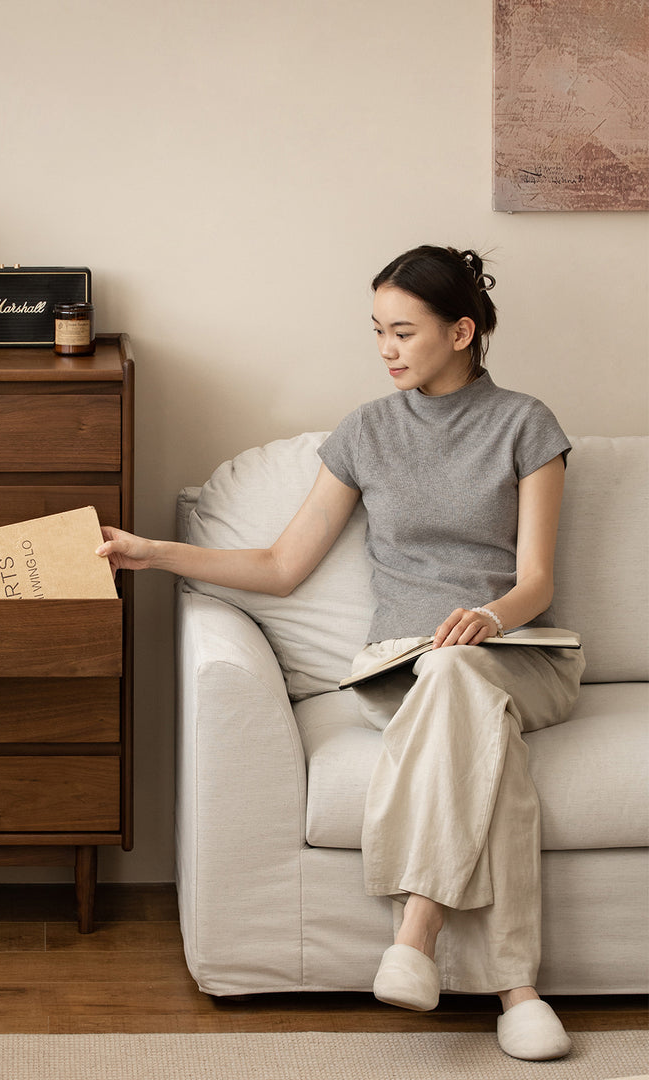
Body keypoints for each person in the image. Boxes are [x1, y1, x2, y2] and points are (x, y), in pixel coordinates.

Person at [96, 245, 585, 1062]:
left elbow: (534, 579)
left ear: (461, 331)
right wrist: (155, 553)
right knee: (469, 720)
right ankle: (518, 990)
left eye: (404, 331)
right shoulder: (366, 430)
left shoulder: (526, 424)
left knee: (461, 671)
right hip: (402, 667)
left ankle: (417, 929)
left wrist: (489, 620)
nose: (387, 349)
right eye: (378, 332)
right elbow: (282, 567)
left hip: (518, 653)